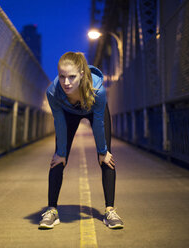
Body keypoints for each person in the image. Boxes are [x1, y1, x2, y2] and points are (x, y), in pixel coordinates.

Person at [39, 52, 123, 229]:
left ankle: (110, 211)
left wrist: (102, 151)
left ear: (82, 75)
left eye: (72, 77)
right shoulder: (53, 92)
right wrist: (61, 153)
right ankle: (52, 210)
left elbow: (99, 121)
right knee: (57, 159)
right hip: (68, 114)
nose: (66, 82)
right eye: (62, 76)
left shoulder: (97, 90)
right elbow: (59, 122)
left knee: (107, 157)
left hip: (94, 111)